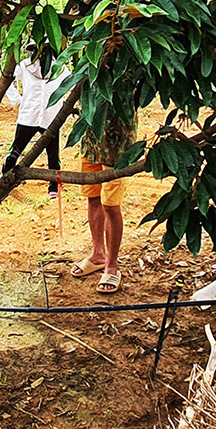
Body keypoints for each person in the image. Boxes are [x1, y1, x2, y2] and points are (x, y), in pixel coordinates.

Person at [71, 111, 136, 294]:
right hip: (90, 143)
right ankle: (98, 254)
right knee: (93, 197)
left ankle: (112, 265)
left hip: (118, 149)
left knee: (111, 205)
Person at [3, 52, 66, 197]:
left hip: (45, 116)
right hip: (32, 115)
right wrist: (17, 99)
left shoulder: (59, 68)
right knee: (16, 151)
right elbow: (8, 81)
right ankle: (6, 179)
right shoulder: (25, 65)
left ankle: (53, 185)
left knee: (51, 154)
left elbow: (73, 83)